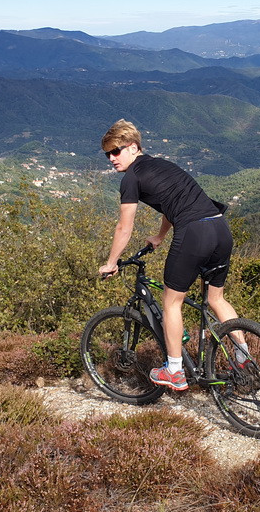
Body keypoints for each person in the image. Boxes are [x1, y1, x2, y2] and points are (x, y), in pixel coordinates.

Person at [98, 119, 245, 390]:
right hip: (220, 228)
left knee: (172, 302)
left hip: (194, 233)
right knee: (216, 299)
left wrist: (111, 263)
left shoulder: (131, 178)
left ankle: (174, 371)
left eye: (116, 151)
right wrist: (160, 236)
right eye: (107, 153)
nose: (111, 158)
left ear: (132, 147)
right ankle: (243, 355)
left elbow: (124, 226)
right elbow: (172, 204)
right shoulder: (163, 165)